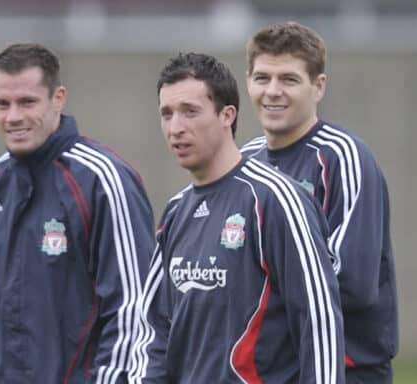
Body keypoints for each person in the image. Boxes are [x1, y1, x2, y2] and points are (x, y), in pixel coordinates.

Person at [128, 52, 344, 383]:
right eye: (167, 114)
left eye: (190, 112)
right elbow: (154, 328)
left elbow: (318, 321)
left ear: (227, 115)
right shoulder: (176, 212)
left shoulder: (275, 200)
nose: (176, 128)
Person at [0, 43, 155, 383]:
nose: (13, 116)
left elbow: (134, 312)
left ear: (58, 98)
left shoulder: (104, 180)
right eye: (2, 104)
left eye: (27, 102)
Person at [241, 22, 399, 383]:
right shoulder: (244, 162)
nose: (273, 91)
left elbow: (351, 283)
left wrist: (256, 303)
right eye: (262, 77)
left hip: (345, 370)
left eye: (289, 80)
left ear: (318, 86)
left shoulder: (345, 158)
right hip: (271, 372)